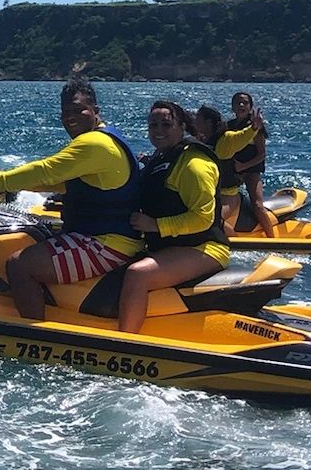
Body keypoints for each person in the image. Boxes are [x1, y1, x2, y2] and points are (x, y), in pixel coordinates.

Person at [0, 75, 143, 321]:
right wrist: (9, 181)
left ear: (96, 111)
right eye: (65, 112)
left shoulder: (94, 144)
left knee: (19, 265)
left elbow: (45, 169)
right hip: (105, 236)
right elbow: (58, 181)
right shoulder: (106, 138)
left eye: (78, 110)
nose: (70, 117)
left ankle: (31, 333)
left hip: (106, 245)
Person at [118, 99, 232, 333]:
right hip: (175, 246)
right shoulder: (163, 157)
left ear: (181, 127)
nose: (158, 131)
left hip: (204, 249)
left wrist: (155, 225)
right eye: (153, 125)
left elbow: (203, 218)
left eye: (166, 125)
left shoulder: (194, 165)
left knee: (137, 275)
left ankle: (124, 341)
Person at [194, 104, 263, 237]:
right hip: (210, 195)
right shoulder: (201, 141)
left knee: (213, 221)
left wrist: (254, 127)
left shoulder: (226, 139)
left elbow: (243, 135)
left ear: (208, 122)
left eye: (198, 118)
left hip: (228, 196)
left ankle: (236, 244)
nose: (195, 121)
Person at [225, 91, 279, 237]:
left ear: (250, 107)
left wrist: (243, 166)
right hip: (234, 172)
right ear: (232, 107)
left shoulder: (256, 127)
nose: (241, 105)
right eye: (237, 102)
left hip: (251, 171)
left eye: (245, 103)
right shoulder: (228, 126)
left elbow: (261, 155)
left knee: (257, 205)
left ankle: (272, 239)